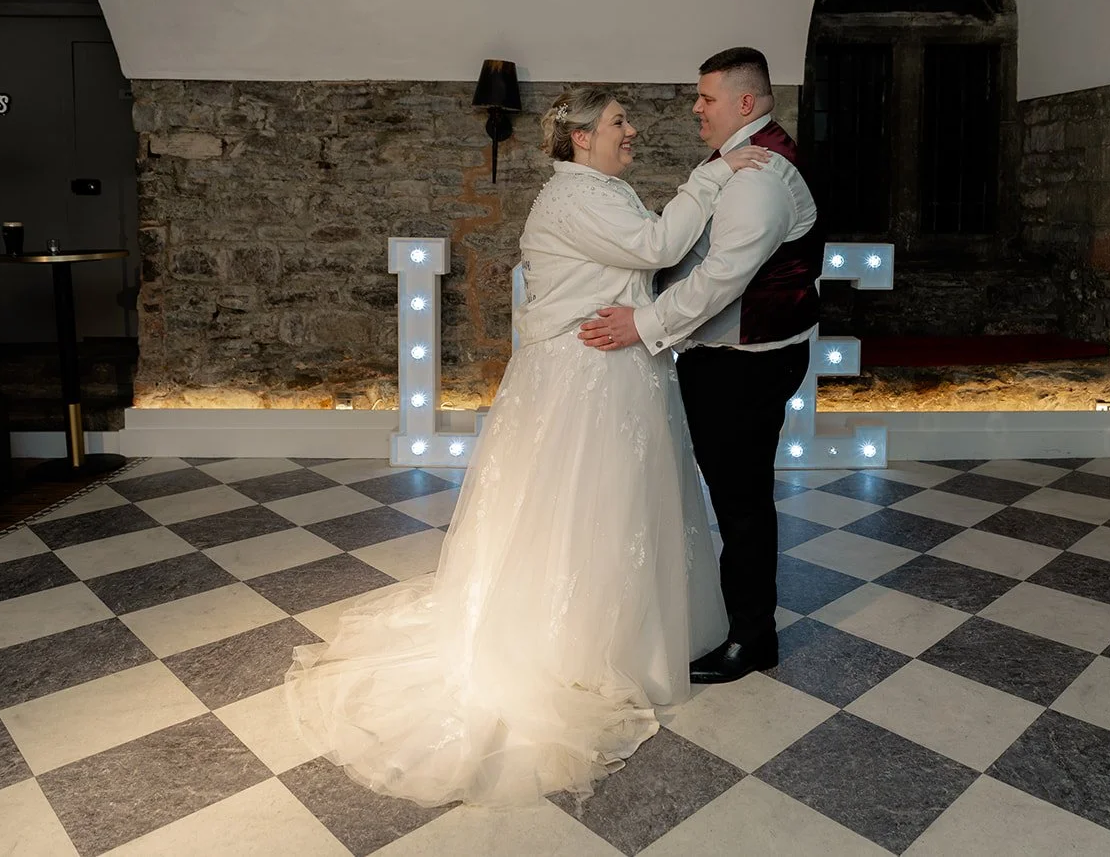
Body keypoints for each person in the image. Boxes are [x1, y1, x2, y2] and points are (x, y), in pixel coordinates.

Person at [285, 88, 770, 808]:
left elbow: (641, 263)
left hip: (611, 370)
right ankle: (583, 645)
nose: (632, 131)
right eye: (619, 122)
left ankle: (636, 633)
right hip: (587, 380)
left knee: (621, 507)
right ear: (582, 137)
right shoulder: (578, 198)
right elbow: (659, 248)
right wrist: (716, 172)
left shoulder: (600, 190)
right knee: (588, 509)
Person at [579, 47, 822, 684]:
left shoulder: (759, 177)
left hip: (745, 363)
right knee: (734, 495)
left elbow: (721, 279)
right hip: (726, 357)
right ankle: (734, 621)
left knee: (742, 503)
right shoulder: (735, 162)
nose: (695, 108)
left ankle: (751, 638)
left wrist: (642, 324)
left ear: (745, 101)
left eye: (706, 98)